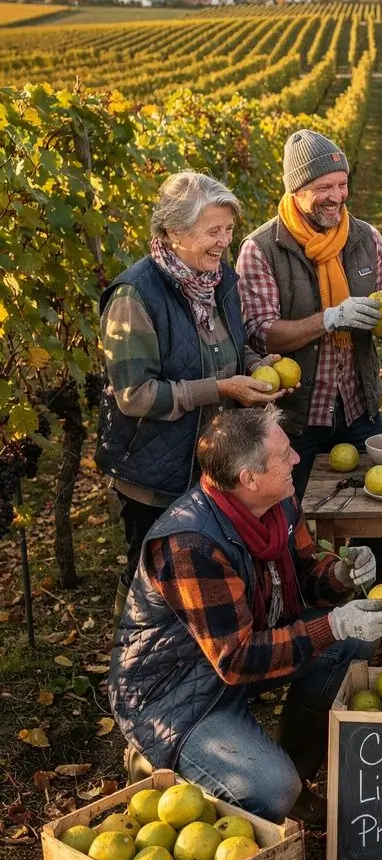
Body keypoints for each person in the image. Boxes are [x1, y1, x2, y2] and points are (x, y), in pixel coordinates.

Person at [109, 407, 382, 825]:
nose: (297, 458)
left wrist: (339, 574)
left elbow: (305, 577)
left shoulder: (278, 504)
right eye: (284, 455)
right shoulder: (191, 546)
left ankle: (295, 774)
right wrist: (335, 623)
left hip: (232, 659)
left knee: (352, 643)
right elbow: (237, 658)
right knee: (272, 789)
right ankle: (158, 759)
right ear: (249, 478)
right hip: (176, 693)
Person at [96, 171, 289, 619]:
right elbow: (134, 395)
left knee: (209, 577)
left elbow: (229, 349)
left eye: (229, 229)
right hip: (156, 472)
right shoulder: (134, 295)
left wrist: (256, 366)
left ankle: (214, 655)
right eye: (212, 231)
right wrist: (220, 388)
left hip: (211, 462)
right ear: (174, 231)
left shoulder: (220, 280)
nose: (225, 241)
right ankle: (135, 654)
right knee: (152, 583)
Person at [237, 128, 382, 578]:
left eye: (342, 184)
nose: (337, 197)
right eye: (323, 187)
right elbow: (260, 335)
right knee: (290, 526)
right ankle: (305, 604)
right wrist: (328, 319)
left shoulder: (366, 238)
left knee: (378, 515)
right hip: (295, 415)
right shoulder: (261, 249)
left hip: (358, 405)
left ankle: (368, 594)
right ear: (296, 189)